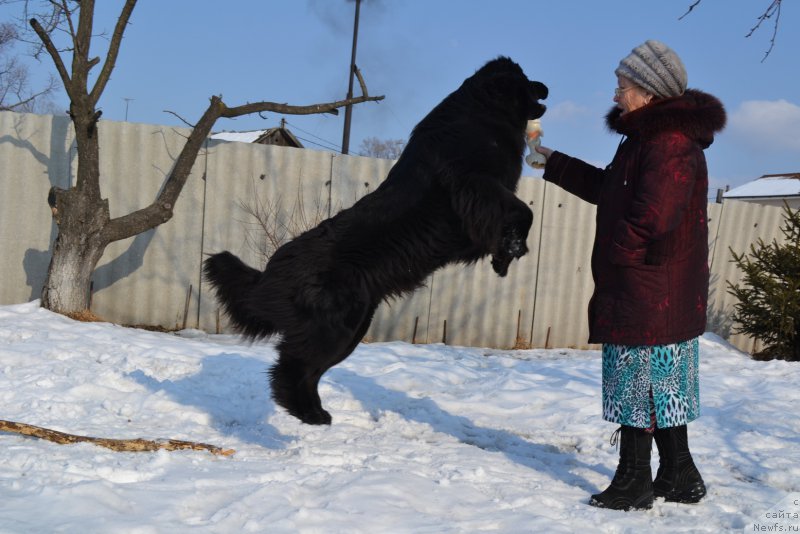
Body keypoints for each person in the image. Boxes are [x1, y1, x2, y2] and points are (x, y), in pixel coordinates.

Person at [534, 40, 726, 511]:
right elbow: (609, 188)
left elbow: (654, 215)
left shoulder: (670, 144)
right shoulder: (648, 141)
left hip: (650, 288)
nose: (616, 94)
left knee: (636, 384)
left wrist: (618, 254)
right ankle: (680, 475)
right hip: (655, 287)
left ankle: (634, 481)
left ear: (649, 91)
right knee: (663, 384)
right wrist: (549, 160)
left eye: (623, 86)